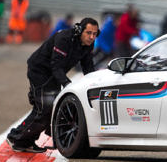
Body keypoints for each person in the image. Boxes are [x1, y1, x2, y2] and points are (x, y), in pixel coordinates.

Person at [6, 17, 100, 153]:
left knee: (51, 108)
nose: (92, 37)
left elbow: (88, 67)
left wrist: (96, 83)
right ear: (80, 31)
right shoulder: (64, 39)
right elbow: (56, 66)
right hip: (39, 71)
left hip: (53, 74)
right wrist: (68, 86)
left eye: (94, 34)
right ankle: (16, 138)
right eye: (88, 33)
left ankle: (26, 141)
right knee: (46, 107)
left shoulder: (88, 44)